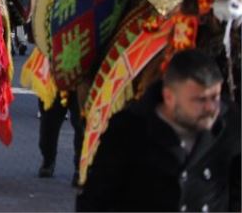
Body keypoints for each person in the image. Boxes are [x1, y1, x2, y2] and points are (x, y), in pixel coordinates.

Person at [77, 49, 241, 212]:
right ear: (169, 97)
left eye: (215, 97)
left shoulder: (229, 124)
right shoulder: (130, 129)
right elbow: (95, 200)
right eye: (200, 100)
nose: (211, 108)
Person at [36, 93, 84, 185]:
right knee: (48, 122)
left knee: (82, 123)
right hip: (55, 82)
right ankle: (48, 160)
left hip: (81, 82)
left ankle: (81, 167)